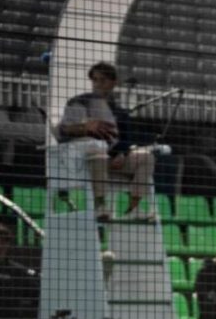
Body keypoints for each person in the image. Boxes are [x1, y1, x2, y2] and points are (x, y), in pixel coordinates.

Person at [57, 62, 155, 222]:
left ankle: (134, 209)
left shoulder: (119, 111)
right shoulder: (80, 101)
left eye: (102, 80)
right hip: (84, 161)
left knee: (147, 157)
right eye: (95, 80)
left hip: (113, 161)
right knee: (99, 151)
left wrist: (122, 153)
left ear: (113, 83)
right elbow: (65, 129)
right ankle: (100, 206)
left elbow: (126, 138)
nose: (97, 84)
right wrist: (84, 127)